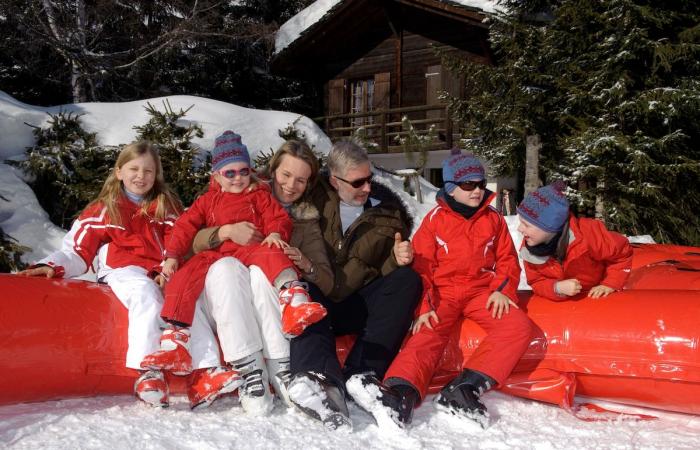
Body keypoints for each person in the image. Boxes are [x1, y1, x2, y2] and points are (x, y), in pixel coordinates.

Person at [16, 142, 241, 409]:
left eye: (148, 171)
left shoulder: (165, 208)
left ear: (156, 175)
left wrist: (168, 269)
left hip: (161, 271)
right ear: (119, 171)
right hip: (124, 270)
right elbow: (77, 249)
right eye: (134, 169)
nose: (141, 176)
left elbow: (180, 245)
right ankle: (148, 373)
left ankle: (204, 374)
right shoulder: (104, 209)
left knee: (186, 300)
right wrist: (53, 265)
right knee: (145, 295)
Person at [142, 132, 326, 415]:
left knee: (268, 257)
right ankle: (192, 342)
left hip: (253, 260)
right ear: (216, 175)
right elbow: (185, 228)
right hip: (221, 268)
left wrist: (278, 235)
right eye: (230, 172)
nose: (238, 178)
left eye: (244, 171)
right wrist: (174, 256)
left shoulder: (261, 197)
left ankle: (284, 355)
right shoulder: (208, 201)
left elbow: (278, 220)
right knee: (189, 277)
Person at [347, 150, 534, 429]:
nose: (477, 190)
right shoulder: (434, 221)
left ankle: (465, 388)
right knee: (427, 334)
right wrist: (423, 307)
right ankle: (400, 394)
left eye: (481, 183)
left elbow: (508, 259)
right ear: (450, 187)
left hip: (480, 290)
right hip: (443, 292)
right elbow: (421, 269)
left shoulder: (492, 220)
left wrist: (502, 290)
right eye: (468, 185)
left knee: (518, 326)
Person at [189, 139, 336, 416]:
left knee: (260, 272)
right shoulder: (237, 186)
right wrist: (224, 232)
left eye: (301, 180)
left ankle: (281, 367)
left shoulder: (306, 221)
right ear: (272, 171)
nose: (291, 185)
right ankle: (248, 370)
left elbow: (327, 280)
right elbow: (188, 241)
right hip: (224, 291)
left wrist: (304, 263)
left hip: (265, 295)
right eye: (286, 175)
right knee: (228, 267)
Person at [283, 140, 422, 430]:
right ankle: (320, 380)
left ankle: (363, 373)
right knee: (305, 290)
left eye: (370, 179)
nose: (367, 188)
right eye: (358, 182)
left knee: (407, 279)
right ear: (335, 180)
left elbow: (381, 271)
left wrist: (396, 260)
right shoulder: (310, 200)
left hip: (357, 300)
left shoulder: (388, 215)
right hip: (318, 295)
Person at [517, 181, 633, 300]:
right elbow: (536, 281)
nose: (519, 229)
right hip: (566, 308)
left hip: (595, 296)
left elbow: (622, 253)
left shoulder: (588, 235)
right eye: (520, 223)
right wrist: (556, 288)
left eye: (526, 225)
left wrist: (610, 284)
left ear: (549, 226)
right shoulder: (530, 247)